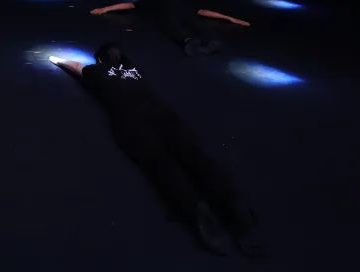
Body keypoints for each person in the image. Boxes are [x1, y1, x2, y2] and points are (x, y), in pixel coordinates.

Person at [50, 44, 264, 258]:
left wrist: (58, 60)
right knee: (196, 158)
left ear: (99, 60)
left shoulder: (96, 71)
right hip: (164, 115)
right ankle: (235, 210)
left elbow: (76, 66)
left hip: (131, 121)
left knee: (163, 166)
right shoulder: (134, 70)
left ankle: (200, 215)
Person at [90, 0, 250, 56]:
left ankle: (188, 41)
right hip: (183, 13)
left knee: (169, 25)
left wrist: (104, 9)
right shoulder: (179, 0)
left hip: (167, 15)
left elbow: (128, 5)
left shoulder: (149, 0)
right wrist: (232, 19)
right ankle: (209, 39)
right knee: (194, 22)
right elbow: (204, 11)